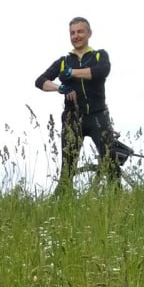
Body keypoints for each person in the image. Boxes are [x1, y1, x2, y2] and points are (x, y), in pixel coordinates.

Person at [35, 17, 121, 194]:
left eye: (80, 32)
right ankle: (61, 206)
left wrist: (71, 73)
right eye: (72, 33)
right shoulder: (63, 61)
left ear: (89, 33)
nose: (76, 36)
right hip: (73, 118)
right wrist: (60, 88)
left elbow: (101, 71)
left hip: (98, 116)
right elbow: (40, 81)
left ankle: (119, 202)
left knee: (111, 164)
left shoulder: (99, 55)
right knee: (67, 169)